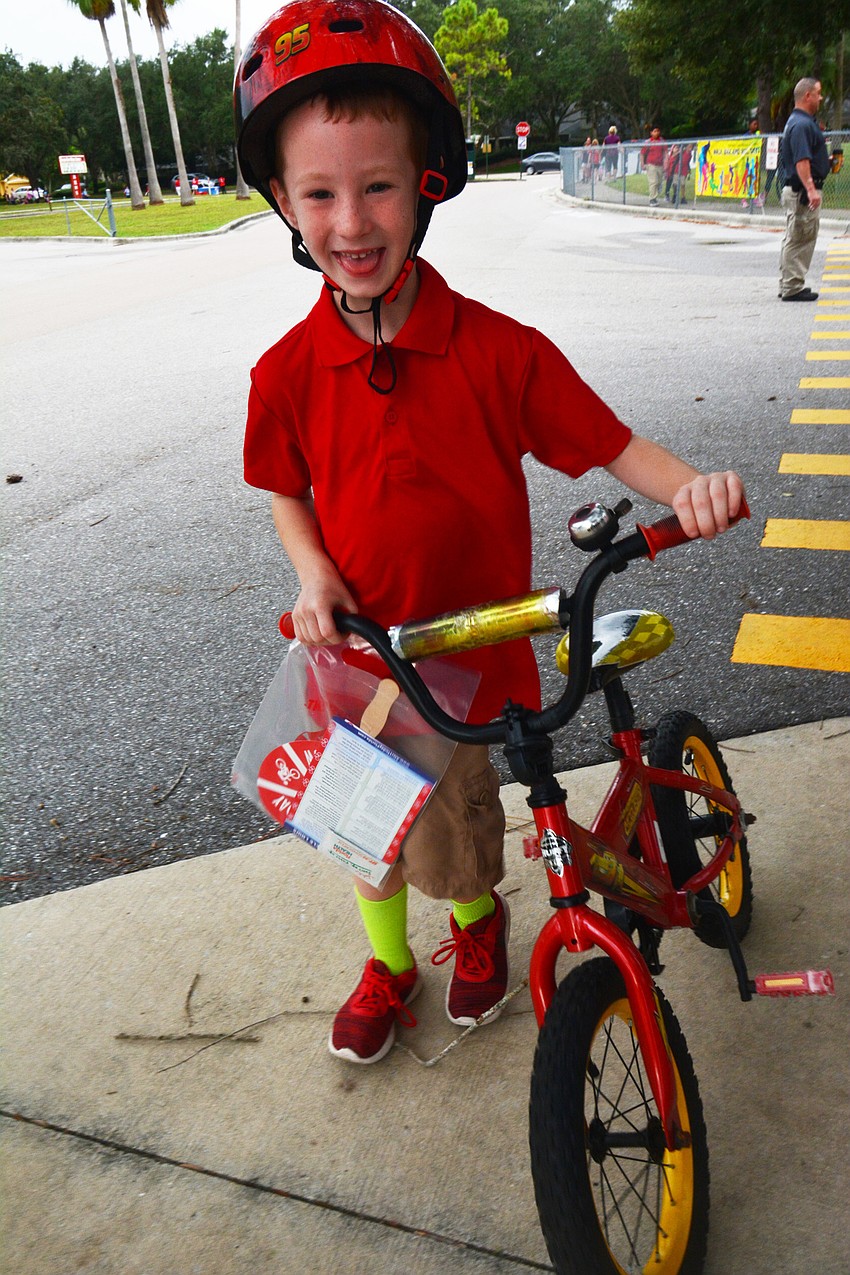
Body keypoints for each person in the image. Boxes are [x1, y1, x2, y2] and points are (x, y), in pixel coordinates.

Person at [236, 0, 746, 1066]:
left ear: (427, 183)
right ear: (281, 198)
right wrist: (314, 574)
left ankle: (476, 924)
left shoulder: (500, 352)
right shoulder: (283, 373)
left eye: (378, 186)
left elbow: (613, 444)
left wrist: (693, 487)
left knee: (458, 833)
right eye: (320, 193)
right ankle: (387, 961)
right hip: (358, 654)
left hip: (466, 658)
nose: (351, 222)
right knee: (361, 830)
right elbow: (285, 489)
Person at [778, 78, 831, 301]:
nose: (821, 98)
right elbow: (801, 160)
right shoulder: (801, 124)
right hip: (802, 192)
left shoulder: (798, 121)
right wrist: (810, 189)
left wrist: (824, 162)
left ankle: (788, 283)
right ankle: (792, 288)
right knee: (801, 237)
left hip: (798, 189)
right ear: (807, 95)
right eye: (818, 93)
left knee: (795, 236)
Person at [641, 126, 666, 205]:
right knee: (653, 182)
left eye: (658, 131)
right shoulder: (648, 142)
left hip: (660, 165)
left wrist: (666, 163)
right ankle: (652, 199)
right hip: (651, 164)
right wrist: (642, 164)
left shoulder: (662, 141)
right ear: (651, 133)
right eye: (654, 131)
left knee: (659, 182)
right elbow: (642, 154)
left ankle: (656, 194)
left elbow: (665, 153)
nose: (656, 133)